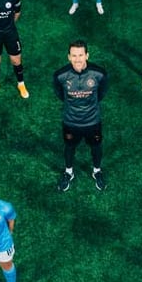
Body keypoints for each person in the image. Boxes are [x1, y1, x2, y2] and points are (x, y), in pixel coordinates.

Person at [52, 40, 109, 191]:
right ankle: (68, 172)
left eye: (81, 55)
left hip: (93, 121)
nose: (77, 59)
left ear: (87, 55)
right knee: (69, 146)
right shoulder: (60, 75)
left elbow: (101, 93)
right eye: (74, 55)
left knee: (96, 146)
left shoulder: (99, 74)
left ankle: (97, 171)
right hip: (71, 122)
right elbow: (60, 93)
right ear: (68, 57)